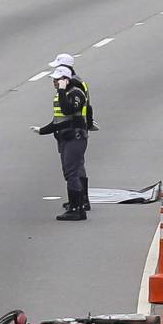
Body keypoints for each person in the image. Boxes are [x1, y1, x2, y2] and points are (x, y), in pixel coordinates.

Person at [31, 66, 91, 221]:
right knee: (68, 172)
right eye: (55, 80)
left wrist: (62, 90)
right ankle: (74, 205)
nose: (55, 82)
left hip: (75, 137)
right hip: (65, 138)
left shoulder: (76, 93)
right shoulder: (61, 95)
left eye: (58, 80)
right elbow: (58, 120)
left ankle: (77, 208)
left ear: (66, 80)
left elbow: (67, 110)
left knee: (72, 172)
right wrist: (42, 130)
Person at [48, 53, 96, 210]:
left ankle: (81, 200)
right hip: (69, 130)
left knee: (75, 168)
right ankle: (78, 199)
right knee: (74, 167)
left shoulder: (74, 85)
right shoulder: (73, 82)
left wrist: (87, 123)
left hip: (74, 130)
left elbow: (78, 107)